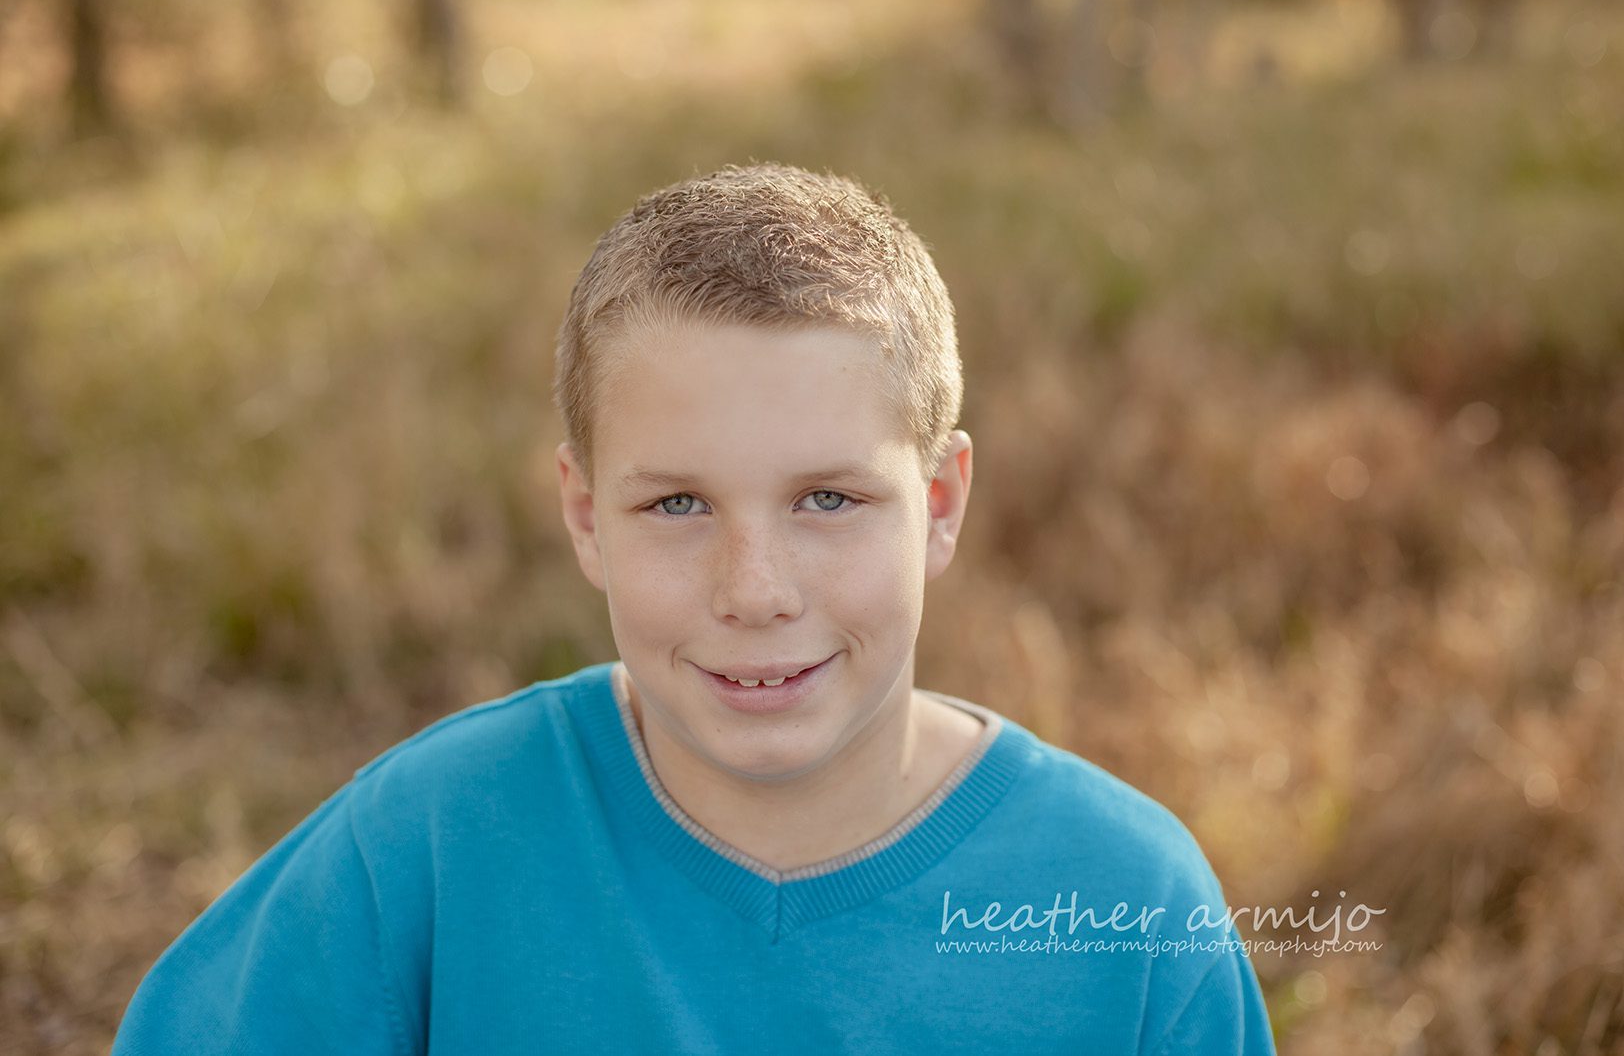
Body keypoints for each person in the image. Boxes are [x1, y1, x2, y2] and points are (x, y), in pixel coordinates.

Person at [112, 162, 1276, 1054]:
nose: (754, 590)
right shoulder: (429, 843)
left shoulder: (1125, 903)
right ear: (582, 515)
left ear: (938, 500)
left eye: (828, 496)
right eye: (676, 503)